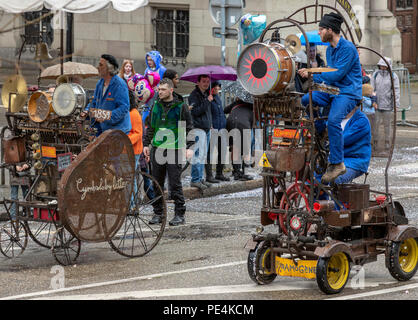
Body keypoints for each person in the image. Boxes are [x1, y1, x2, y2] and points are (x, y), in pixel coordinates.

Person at [299, 12, 363, 184]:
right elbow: (330, 75)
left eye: (321, 29)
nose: (319, 33)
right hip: (334, 90)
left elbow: (336, 75)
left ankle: (337, 163)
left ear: (330, 30)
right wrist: (313, 76)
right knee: (306, 99)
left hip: (348, 92)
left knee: (334, 120)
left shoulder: (348, 48)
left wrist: (312, 75)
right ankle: (319, 131)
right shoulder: (329, 50)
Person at [143, 78, 194, 226]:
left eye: (163, 90)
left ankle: (179, 213)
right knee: (157, 182)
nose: (159, 92)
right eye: (159, 90)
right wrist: (146, 144)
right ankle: (159, 213)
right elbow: (151, 127)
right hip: (158, 148)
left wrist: (190, 147)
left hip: (175, 149)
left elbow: (189, 127)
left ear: (171, 90)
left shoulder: (181, 107)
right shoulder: (155, 106)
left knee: (174, 183)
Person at [81, 54, 131, 136]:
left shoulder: (119, 84)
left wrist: (107, 116)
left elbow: (124, 108)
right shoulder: (100, 83)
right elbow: (94, 102)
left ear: (109, 68)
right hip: (103, 129)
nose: (98, 67)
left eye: (101, 65)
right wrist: (87, 110)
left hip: (118, 131)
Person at [188, 75, 213, 190]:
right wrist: (207, 101)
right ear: (198, 82)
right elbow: (196, 112)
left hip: (206, 128)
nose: (206, 84)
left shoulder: (206, 94)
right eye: (203, 81)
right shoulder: (194, 95)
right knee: (198, 154)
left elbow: (207, 112)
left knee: (203, 155)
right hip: (198, 128)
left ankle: (200, 178)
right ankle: (195, 179)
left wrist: (210, 123)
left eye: (208, 81)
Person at [371, 57, 400, 150]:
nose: (382, 67)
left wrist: (396, 104)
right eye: (381, 66)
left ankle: (387, 142)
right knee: (375, 125)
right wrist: (373, 101)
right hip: (377, 105)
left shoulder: (393, 76)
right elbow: (372, 89)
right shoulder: (375, 74)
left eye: (384, 66)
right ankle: (375, 142)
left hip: (388, 105)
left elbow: (396, 91)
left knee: (387, 125)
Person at [224, 98, 254, 181]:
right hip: (244, 124)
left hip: (231, 122)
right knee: (246, 150)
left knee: (235, 147)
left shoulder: (236, 103)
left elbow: (225, 110)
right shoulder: (252, 106)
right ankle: (245, 172)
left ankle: (236, 172)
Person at [207, 81, 229, 182]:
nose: (217, 88)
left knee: (223, 151)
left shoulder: (218, 98)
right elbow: (207, 114)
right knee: (210, 153)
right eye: (215, 86)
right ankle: (209, 175)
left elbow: (221, 113)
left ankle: (219, 173)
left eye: (218, 86)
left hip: (222, 129)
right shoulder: (208, 98)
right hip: (213, 129)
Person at [127, 90, 145, 208]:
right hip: (127, 149)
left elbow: (138, 133)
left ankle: (132, 204)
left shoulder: (133, 113)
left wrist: (125, 140)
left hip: (133, 150)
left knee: (130, 177)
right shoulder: (129, 112)